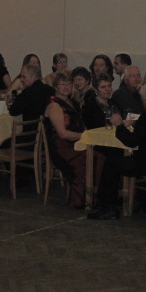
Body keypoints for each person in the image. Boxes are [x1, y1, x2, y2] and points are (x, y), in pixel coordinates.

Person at [88, 82, 146, 220]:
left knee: (111, 162)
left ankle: (108, 206)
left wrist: (119, 125)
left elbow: (131, 141)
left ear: (145, 99)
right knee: (117, 157)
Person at [44, 72, 101, 209]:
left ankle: (95, 196)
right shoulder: (54, 106)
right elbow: (62, 134)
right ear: (56, 86)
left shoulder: (73, 102)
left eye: (69, 84)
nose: (66, 87)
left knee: (100, 156)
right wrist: (85, 136)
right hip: (62, 147)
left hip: (75, 143)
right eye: (62, 84)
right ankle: (81, 199)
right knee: (89, 160)